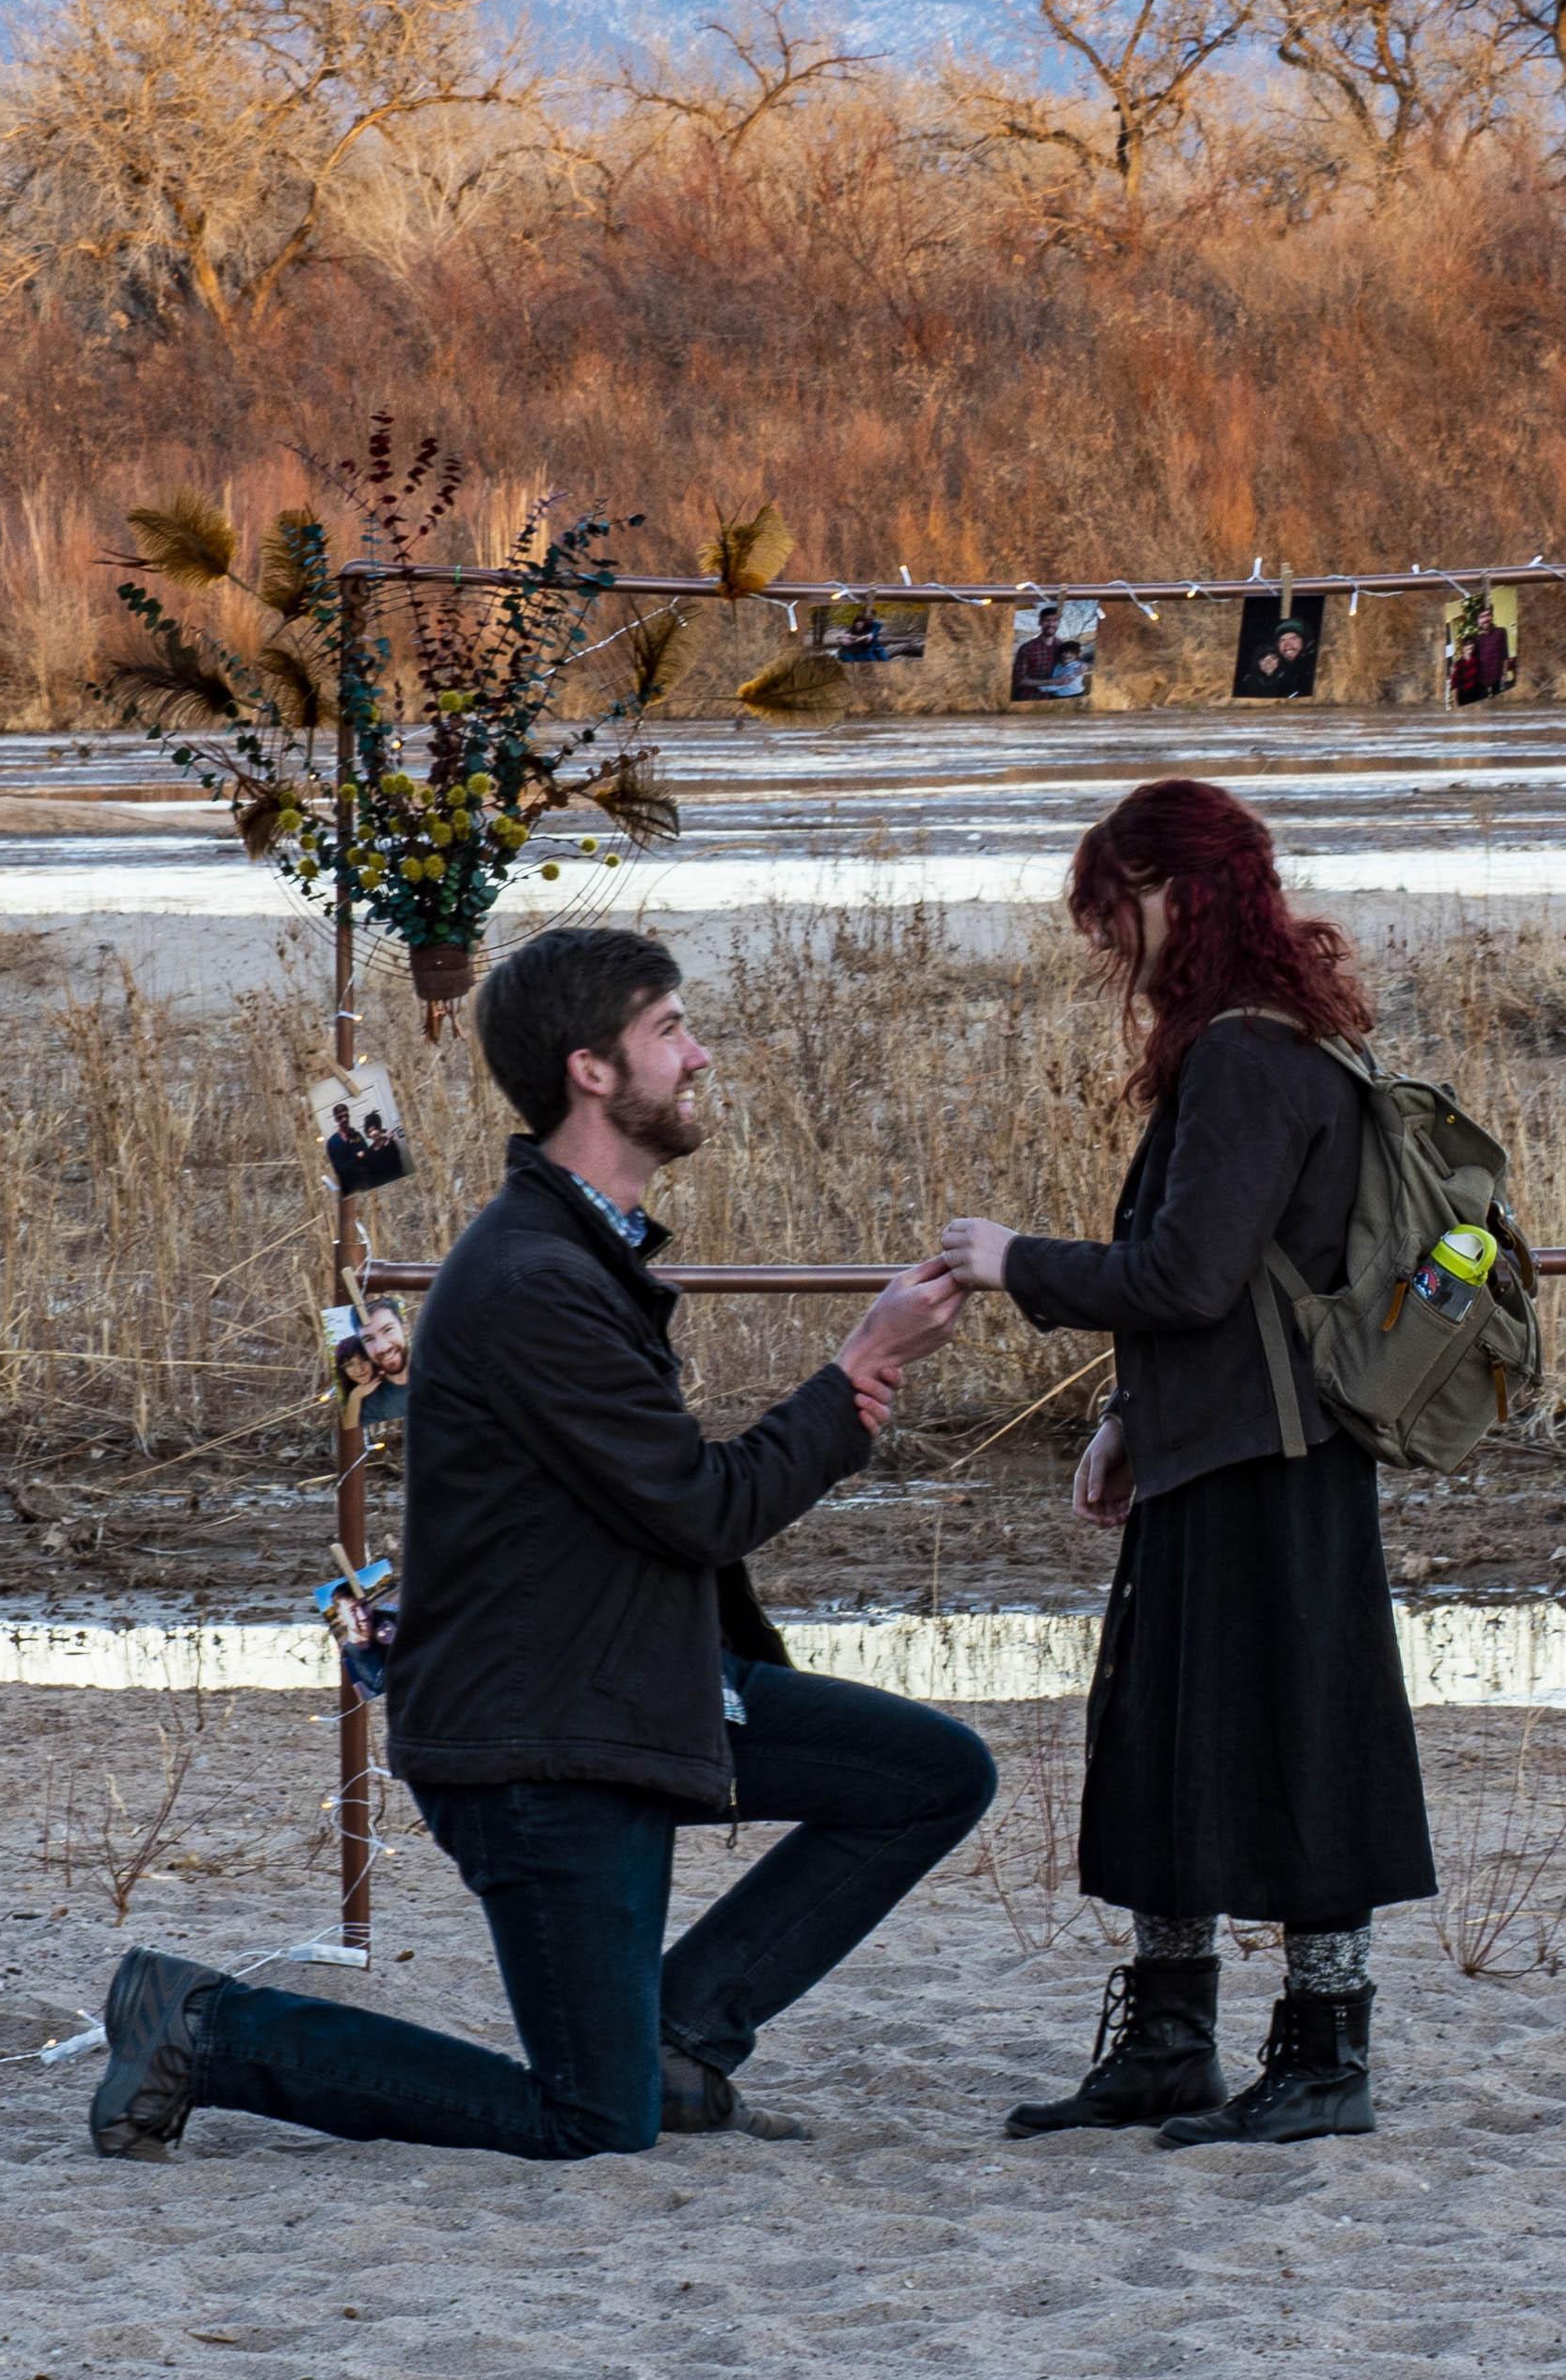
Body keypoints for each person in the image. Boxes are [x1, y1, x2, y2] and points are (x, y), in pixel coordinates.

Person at [90, 926, 993, 2164]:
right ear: (592, 1069)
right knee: (588, 2119)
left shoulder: (575, 1254)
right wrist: (862, 1366)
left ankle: (676, 2031)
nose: (701, 1055)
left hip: (634, 1691)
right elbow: (700, 1506)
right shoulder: (531, 1279)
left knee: (928, 1772)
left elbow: (663, 1508)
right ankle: (204, 2024)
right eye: (670, 1029)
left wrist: (847, 1389)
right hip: (542, 1747)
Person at [936, 780, 1433, 2147]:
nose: (1114, 943)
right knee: (1172, 1734)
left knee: (1291, 1741)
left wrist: (1009, 1262)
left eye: (1117, 909)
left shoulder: (1245, 1059)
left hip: (1271, 1463)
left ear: (1175, 892)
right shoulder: (1274, 1046)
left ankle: (1321, 2054)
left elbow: (1188, 1273)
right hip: (1233, 1450)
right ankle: (1169, 2038)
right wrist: (1127, 1421)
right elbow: (1232, 1288)